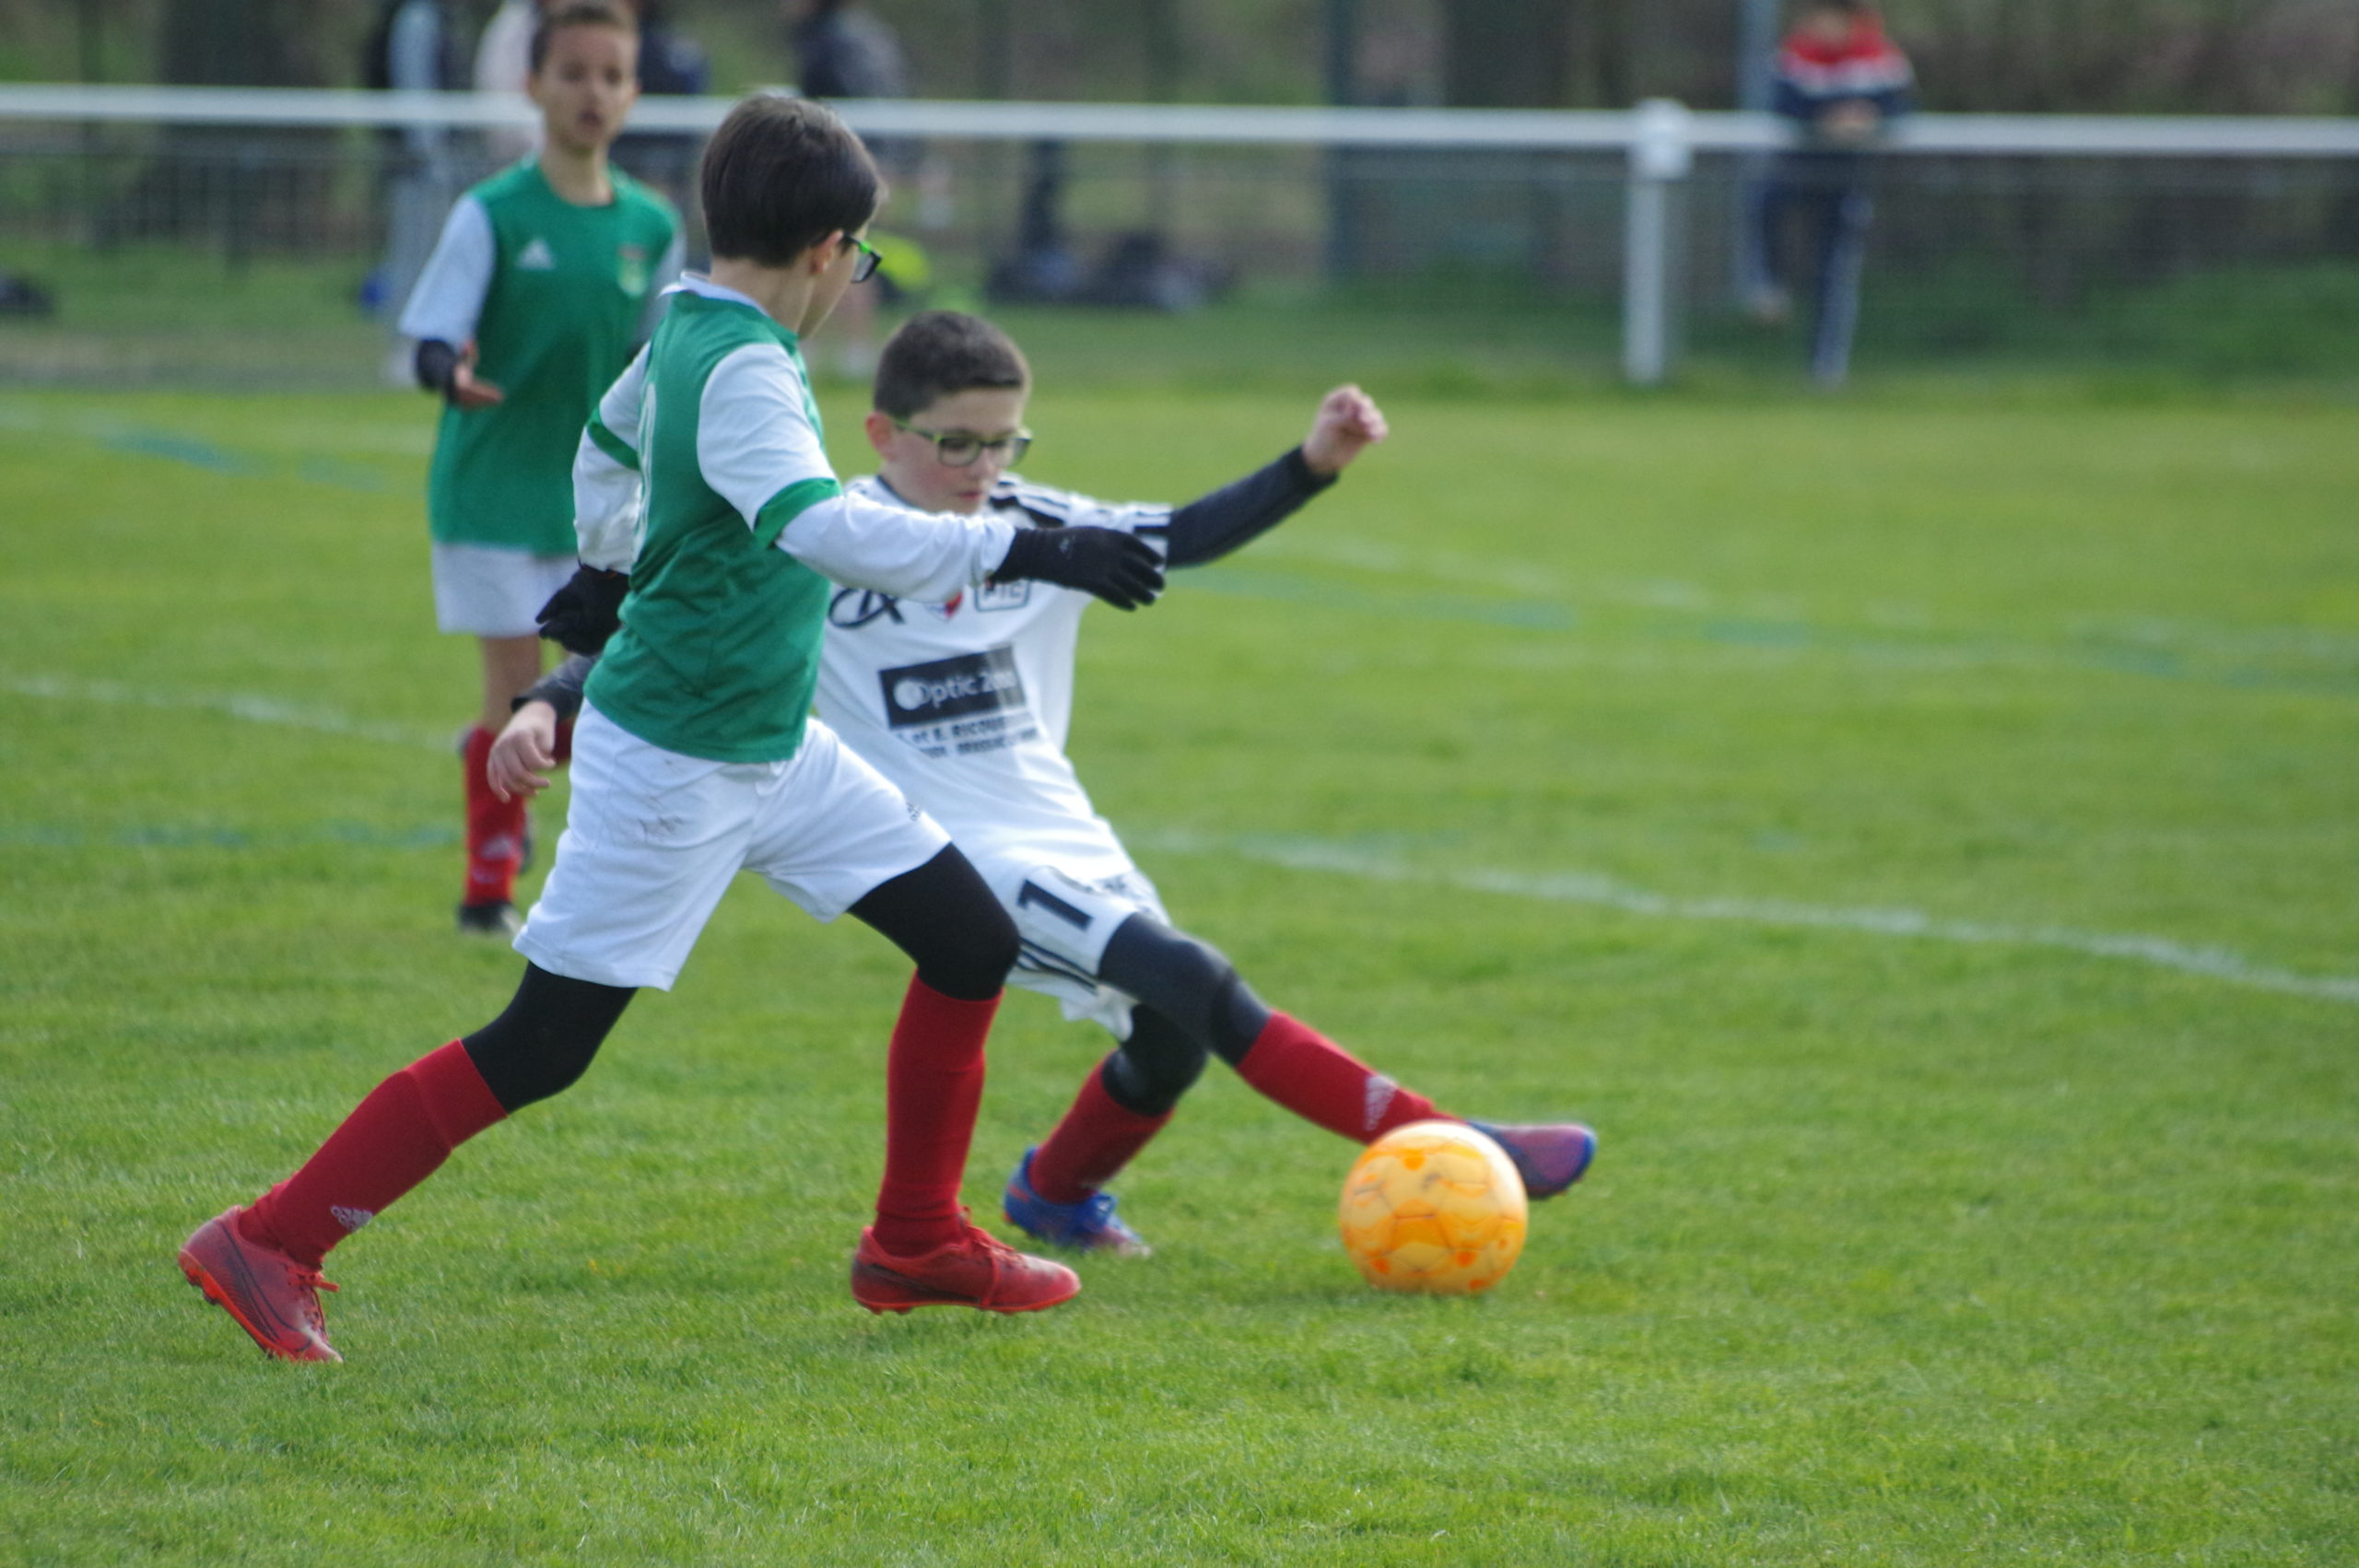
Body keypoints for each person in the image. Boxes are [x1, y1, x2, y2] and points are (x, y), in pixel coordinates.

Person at [176, 99, 1168, 1363]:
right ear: (826, 247)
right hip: (678, 758)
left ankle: (916, 1240)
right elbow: (821, 527)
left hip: (771, 743)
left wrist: (604, 570)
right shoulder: (746, 364)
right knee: (542, 1043)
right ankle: (268, 1238)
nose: (853, 281)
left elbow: (605, 446)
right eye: (859, 258)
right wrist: (1025, 547)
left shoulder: (693, 323)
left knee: (970, 939)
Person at [492, 310, 1597, 1258]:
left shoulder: (1029, 519)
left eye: (1002, 443)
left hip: (1064, 830)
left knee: (1168, 1042)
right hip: (951, 853)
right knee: (1193, 976)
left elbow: (1179, 535)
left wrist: (1311, 463)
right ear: (882, 434)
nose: (981, 469)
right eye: (955, 444)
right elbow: (662, 635)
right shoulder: (830, 538)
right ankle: (1460, 1144)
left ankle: (1054, 1193)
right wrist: (549, 699)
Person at [397, 0, 683, 936]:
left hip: (597, 507)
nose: (592, 92)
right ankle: (488, 889)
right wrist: (448, 371)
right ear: (532, 85)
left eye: (611, 75)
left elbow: (661, 361)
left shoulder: (651, 225)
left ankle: (531, 818)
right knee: (517, 687)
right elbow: (432, 335)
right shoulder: (491, 213)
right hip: (491, 491)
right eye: (573, 73)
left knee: (593, 695)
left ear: (633, 93)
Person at [1740, 0, 1914, 387]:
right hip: (1799, 171)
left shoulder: (1880, 58)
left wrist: (1867, 119)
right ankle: (1770, 285)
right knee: (1765, 203)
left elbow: (1899, 110)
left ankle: (1825, 369)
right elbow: (1783, 106)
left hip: (1848, 178)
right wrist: (1826, 120)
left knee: (1833, 272)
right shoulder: (1796, 55)